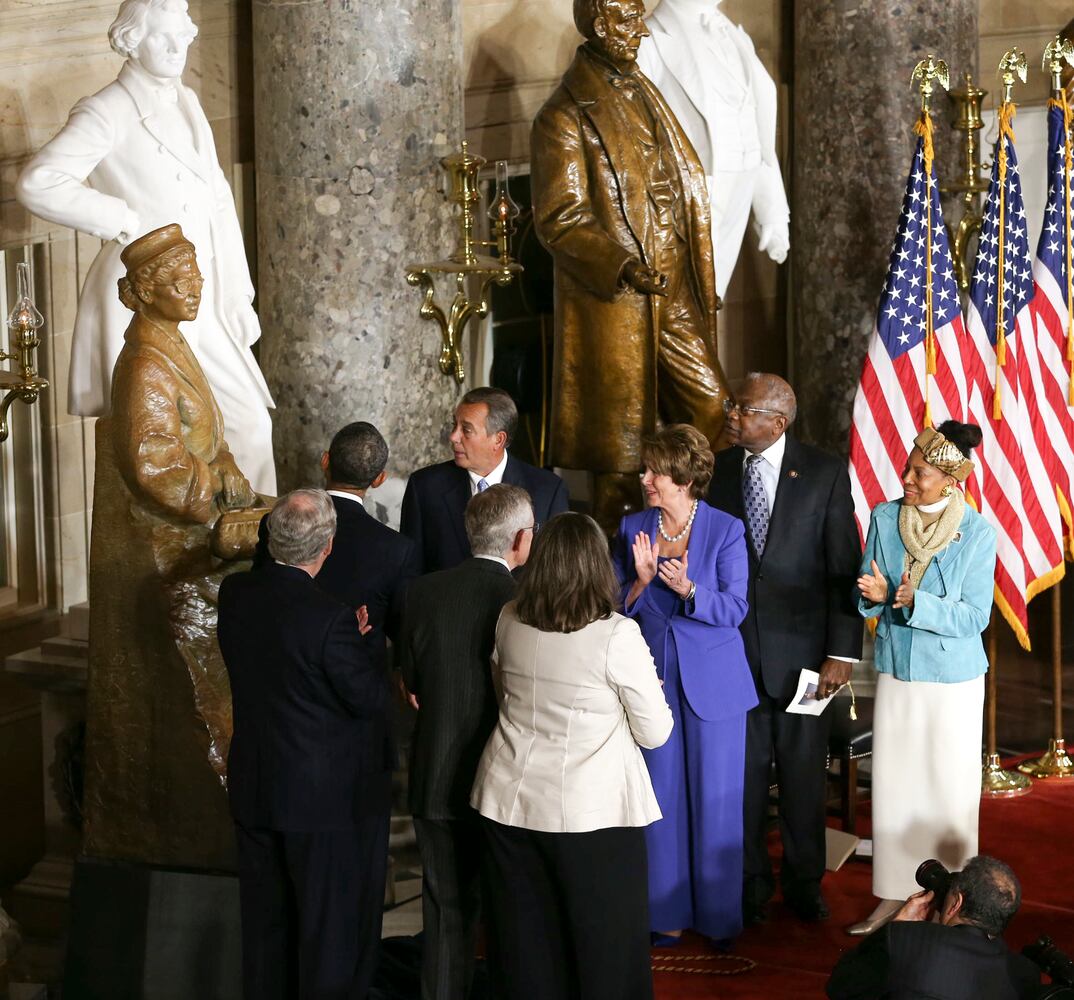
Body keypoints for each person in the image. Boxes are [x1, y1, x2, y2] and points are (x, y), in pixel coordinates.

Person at [15, 0, 276, 493]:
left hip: (204, 297)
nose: (178, 49)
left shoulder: (189, 101)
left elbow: (219, 198)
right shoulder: (107, 111)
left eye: (184, 37)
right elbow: (39, 183)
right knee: (160, 446)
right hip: (147, 299)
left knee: (250, 427)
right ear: (132, 42)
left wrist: (237, 293)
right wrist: (123, 219)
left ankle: (257, 554)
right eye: (163, 38)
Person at [529, 0, 730, 530]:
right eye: (628, 19)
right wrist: (622, 266)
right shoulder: (564, 114)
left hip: (676, 285)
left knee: (715, 408)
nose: (641, 29)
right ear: (600, 26)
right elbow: (560, 218)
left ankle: (693, 524)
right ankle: (613, 574)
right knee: (619, 462)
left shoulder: (642, 86)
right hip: (620, 299)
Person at [471, 513, 673, 1000]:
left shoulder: (508, 618)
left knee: (525, 953)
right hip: (590, 817)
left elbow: (505, 696)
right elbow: (656, 733)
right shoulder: (615, 635)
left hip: (508, 803)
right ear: (597, 566)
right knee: (604, 955)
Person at [217, 489, 393, 1000]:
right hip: (317, 805)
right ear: (327, 548)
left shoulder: (235, 595)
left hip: (254, 788)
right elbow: (368, 699)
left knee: (265, 936)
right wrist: (360, 644)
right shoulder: (332, 620)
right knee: (323, 941)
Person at [708, 372, 862, 924]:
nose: (731, 414)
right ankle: (751, 882)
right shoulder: (717, 471)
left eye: (741, 408)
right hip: (733, 656)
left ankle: (803, 882)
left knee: (801, 777)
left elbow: (843, 567)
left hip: (805, 661)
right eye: (732, 404)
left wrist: (841, 652)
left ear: (777, 421)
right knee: (743, 776)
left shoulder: (822, 473)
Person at [852, 422, 996, 935]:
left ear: (951, 480)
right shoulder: (885, 517)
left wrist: (917, 602)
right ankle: (893, 898)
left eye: (921, 472)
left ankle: (952, 906)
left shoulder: (977, 532)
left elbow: (975, 617)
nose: (907, 478)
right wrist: (871, 593)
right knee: (896, 788)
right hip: (898, 673)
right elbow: (866, 593)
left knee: (948, 790)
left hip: (953, 682)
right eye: (909, 466)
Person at [612, 424, 754, 944]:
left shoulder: (725, 529)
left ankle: (718, 917)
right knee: (660, 798)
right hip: (651, 680)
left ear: (684, 477)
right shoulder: (632, 528)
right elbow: (614, 607)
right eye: (646, 469)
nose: (645, 478)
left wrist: (691, 589)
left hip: (714, 684)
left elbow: (735, 608)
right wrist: (643, 582)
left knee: (716, 800)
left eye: (655, 470)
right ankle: (665, 917)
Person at [397, 484, 534, 1000]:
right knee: (508, 915)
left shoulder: (422, 592)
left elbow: (411, 684)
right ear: (521, 540)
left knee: (444, 909)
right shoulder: (523, 601)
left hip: (435, 773)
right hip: (506, 784)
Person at [636, 0, 790, 298]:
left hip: (741, 189)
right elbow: (634, 138)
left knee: (711, 299)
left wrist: (771, 209)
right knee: (681, 305)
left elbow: (756, 125)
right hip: (687, 198)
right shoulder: (649, 40)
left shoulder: (733, 34)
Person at [256, 421, 419, 669]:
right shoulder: (397, 549)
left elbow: (263, 585)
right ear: (379, 479)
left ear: (325, 461)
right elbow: (401, 628)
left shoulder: (274, 522)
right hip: (355, 673)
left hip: (279, 667)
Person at [400, 387, 568, 573]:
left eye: (466, 429)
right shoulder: (424, 486)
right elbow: (409, 573)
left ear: (498, 439)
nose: (453, 437)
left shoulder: (548, 490)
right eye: (454, 425)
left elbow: (555, 573)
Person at [827, 856, 1041, 1000]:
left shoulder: (903, 939)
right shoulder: (1024, 974)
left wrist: (897, 926)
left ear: (956, 903)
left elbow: (839, 986)